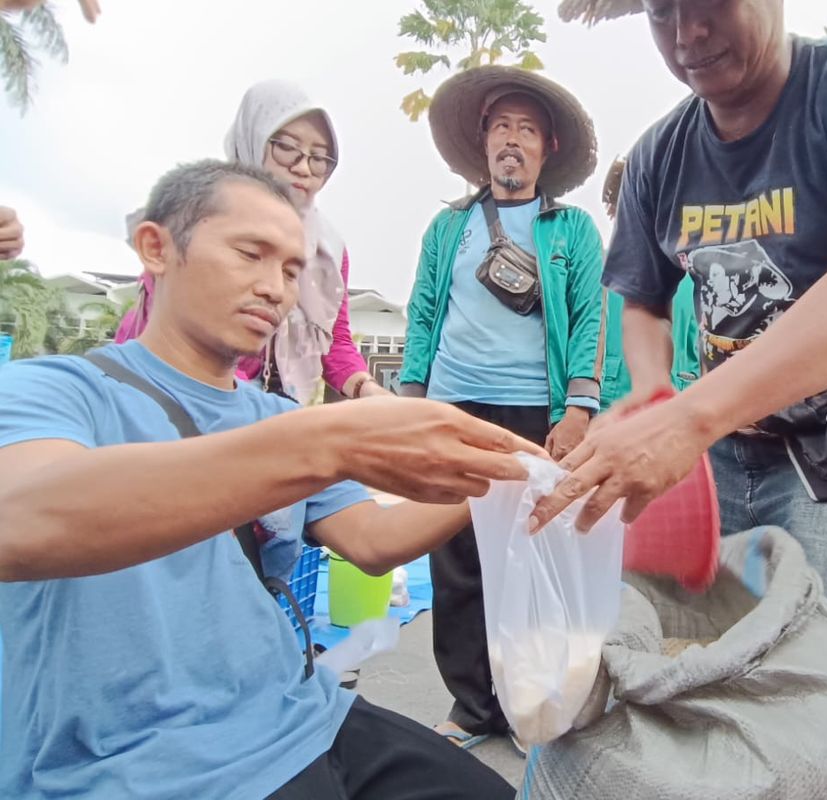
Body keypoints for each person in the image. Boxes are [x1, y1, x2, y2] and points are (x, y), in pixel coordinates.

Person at [0, 160, 535, 798]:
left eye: (290, 271)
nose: (275, 289)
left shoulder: (279, 418)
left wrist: (511, 478)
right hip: (135, 763)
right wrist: (331, 441)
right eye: (250, 254)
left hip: (303, 716)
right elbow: (21, 519)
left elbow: (372, 540)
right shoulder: (53, 390)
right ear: (156, 248)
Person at [545, 0, 827, 790]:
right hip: (724, 436)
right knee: (713, 659)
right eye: (663, 12)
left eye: (710, 5)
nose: (687, 34)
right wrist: (654, 393)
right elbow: (640, 299)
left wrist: (687, 419)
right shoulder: (661, 152)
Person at [397, 66, 606, 749]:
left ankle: (530, 702)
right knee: (455, 559)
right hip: (456, 406)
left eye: (527, 130)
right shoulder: (447, 227)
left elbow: (590, 317)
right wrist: (412, 396)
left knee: (535, 553)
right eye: (502, 128)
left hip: (533, 413)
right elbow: (422, 312)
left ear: (547, 148)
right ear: (484, 142)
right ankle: (470, 706)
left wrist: (579, 407)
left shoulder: (572, 229)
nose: (512, 141)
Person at [117, 80, 388, 404]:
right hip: (168, 391)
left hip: (266, 401)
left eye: (319, 157)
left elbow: (335, 340)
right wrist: (259, 412)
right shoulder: (201, 213)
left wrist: (368, 390)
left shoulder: (327, 249)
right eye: (287, 147)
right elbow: (185, 341)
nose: (303, 168)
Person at [598, 155, 699, 408]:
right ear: (613, 210)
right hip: (608, 408)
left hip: (677, 412)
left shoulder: (695, 274)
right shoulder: (594, 267)